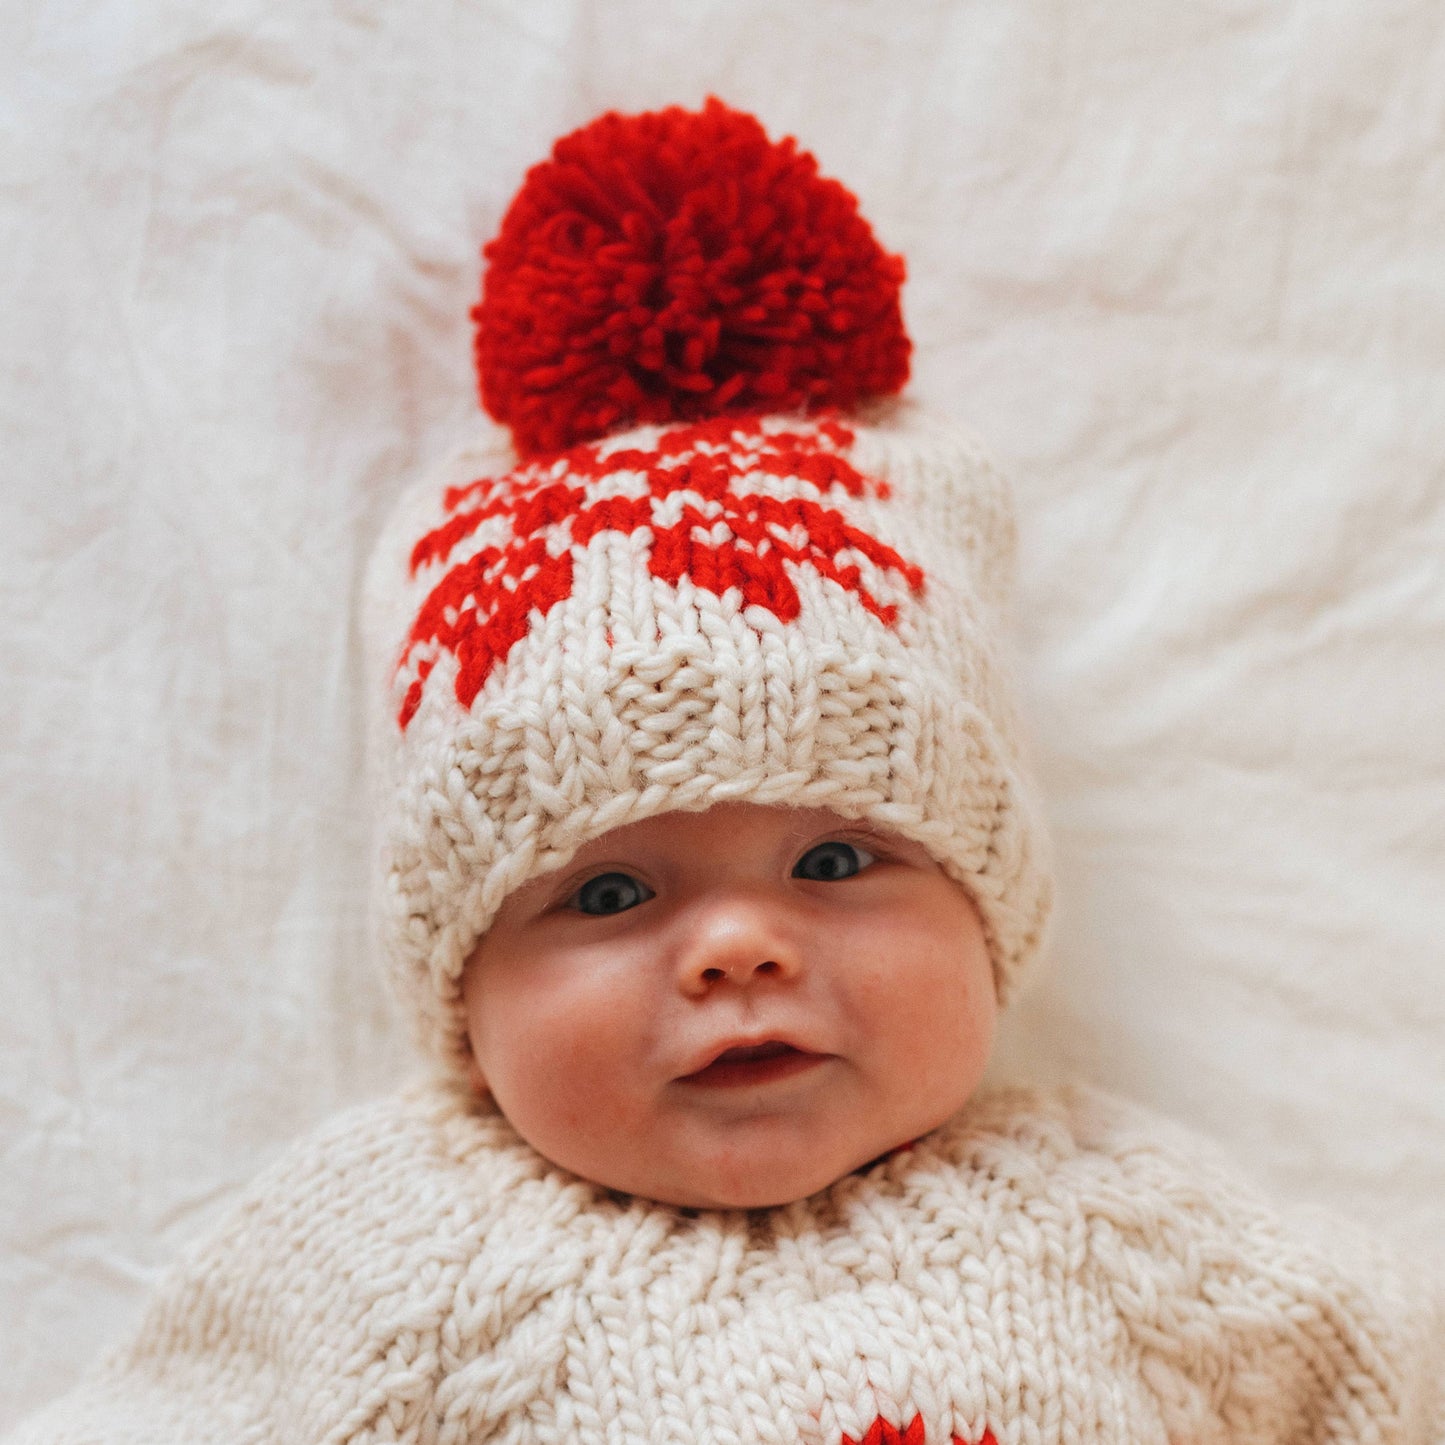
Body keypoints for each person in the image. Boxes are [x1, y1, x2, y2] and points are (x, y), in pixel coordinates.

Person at [7, 98, 1441, 1445]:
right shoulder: (381, 1250)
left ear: (989, 917)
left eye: (834, 858)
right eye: (610, 888)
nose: (739, 944)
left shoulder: (1137, 1232)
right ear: (460, 985)